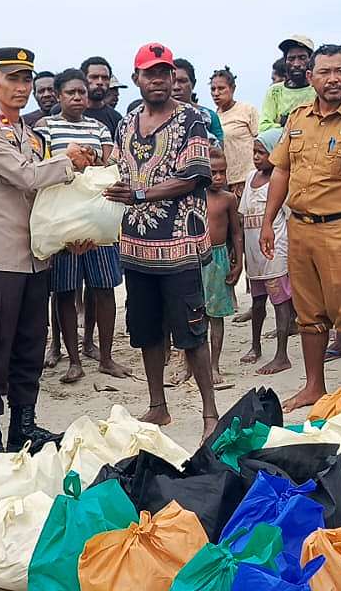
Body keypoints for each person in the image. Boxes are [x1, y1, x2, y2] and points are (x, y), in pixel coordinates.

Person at [0, 47, 92, 452]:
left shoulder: (31, 135)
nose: (21, 88)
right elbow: (24, 176)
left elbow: (47, 198)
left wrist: (69, 233)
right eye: (12, 79)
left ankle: (24, 425)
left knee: (29, 348)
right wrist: (69, 161)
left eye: (26, 80)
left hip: (37, 257)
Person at [260, 43, 341, 411]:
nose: (333, 79)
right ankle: (313, 386)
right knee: (309, 314)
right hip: (299, 229)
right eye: (325, 72)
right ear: (311, 77)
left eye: (340, 71)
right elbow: (282, 169)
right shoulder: (298, 118)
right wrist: (269, 221)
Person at [104, 42, 220, 438]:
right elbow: (118, 172)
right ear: (136, 78)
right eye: (149, 73)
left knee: (191, 329)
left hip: (178, 243)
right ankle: (158, 406)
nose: (158, 79)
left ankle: (209, 413)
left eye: (164, 72)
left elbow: (193, 176)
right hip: (136, 244)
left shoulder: (193, 119)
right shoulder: (126, 122)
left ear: (173, 77)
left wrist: (138, 194)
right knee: (146, 328)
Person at [35, 69, 129, 383]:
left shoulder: (100, 127)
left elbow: (107, 166)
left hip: (96, 219)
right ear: (58, 95)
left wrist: (91, 159)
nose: (77, 98)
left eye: (82, 93)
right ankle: (74, 360)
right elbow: (40, 166)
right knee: (64, 290)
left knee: (103, 289)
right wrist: (69, 157)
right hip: (63, 221)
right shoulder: (45, 126)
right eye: (71, 93)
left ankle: (105, 357)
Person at [239, 128, 295, 375]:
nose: (257, 157)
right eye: (255, 152)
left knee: (280, 301)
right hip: (253, 253)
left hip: (275, 250)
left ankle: (281, 354)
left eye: (263, 152)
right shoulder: (251, 177)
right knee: (257, 300)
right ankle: (255, 345)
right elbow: (242, 217)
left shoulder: (280, 181)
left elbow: (289, 218)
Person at [201, 147, 242, 389]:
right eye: (213, 172)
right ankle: (190, 364)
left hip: (218, 260)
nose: (218, 177)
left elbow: (236, 233)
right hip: (196, 258)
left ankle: (214, 364)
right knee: (195, 315)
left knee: (216, 316)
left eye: (222, 172)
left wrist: (238, 263)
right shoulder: (194, 197)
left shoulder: (228, 199)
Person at [210, 66, 260, 195]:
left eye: (221, 88)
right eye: (213, 89)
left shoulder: (247, 110)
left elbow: (260, 141)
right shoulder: (212, 118)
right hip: (224, 182)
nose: (216, 93)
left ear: (232, 89)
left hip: (249, 179)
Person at [259, 35, 317, 130]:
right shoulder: (275, 91)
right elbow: (263, 127)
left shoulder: (318, 89)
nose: (296, 64)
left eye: (302, 58)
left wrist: (285, 123)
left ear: (311, 60)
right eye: (291, 59)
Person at [171, 58, 224, 142]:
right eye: (172, 82)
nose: (176, 87)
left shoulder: (208, 116)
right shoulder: (155, 117)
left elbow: (220, 149)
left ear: (193, 84)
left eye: (182, 81)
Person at [79, 56, 125, 138]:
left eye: (105, 78)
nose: (100, 82)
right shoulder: (65, 112)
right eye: (94, 77)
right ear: (83, 79)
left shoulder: (116, 119)